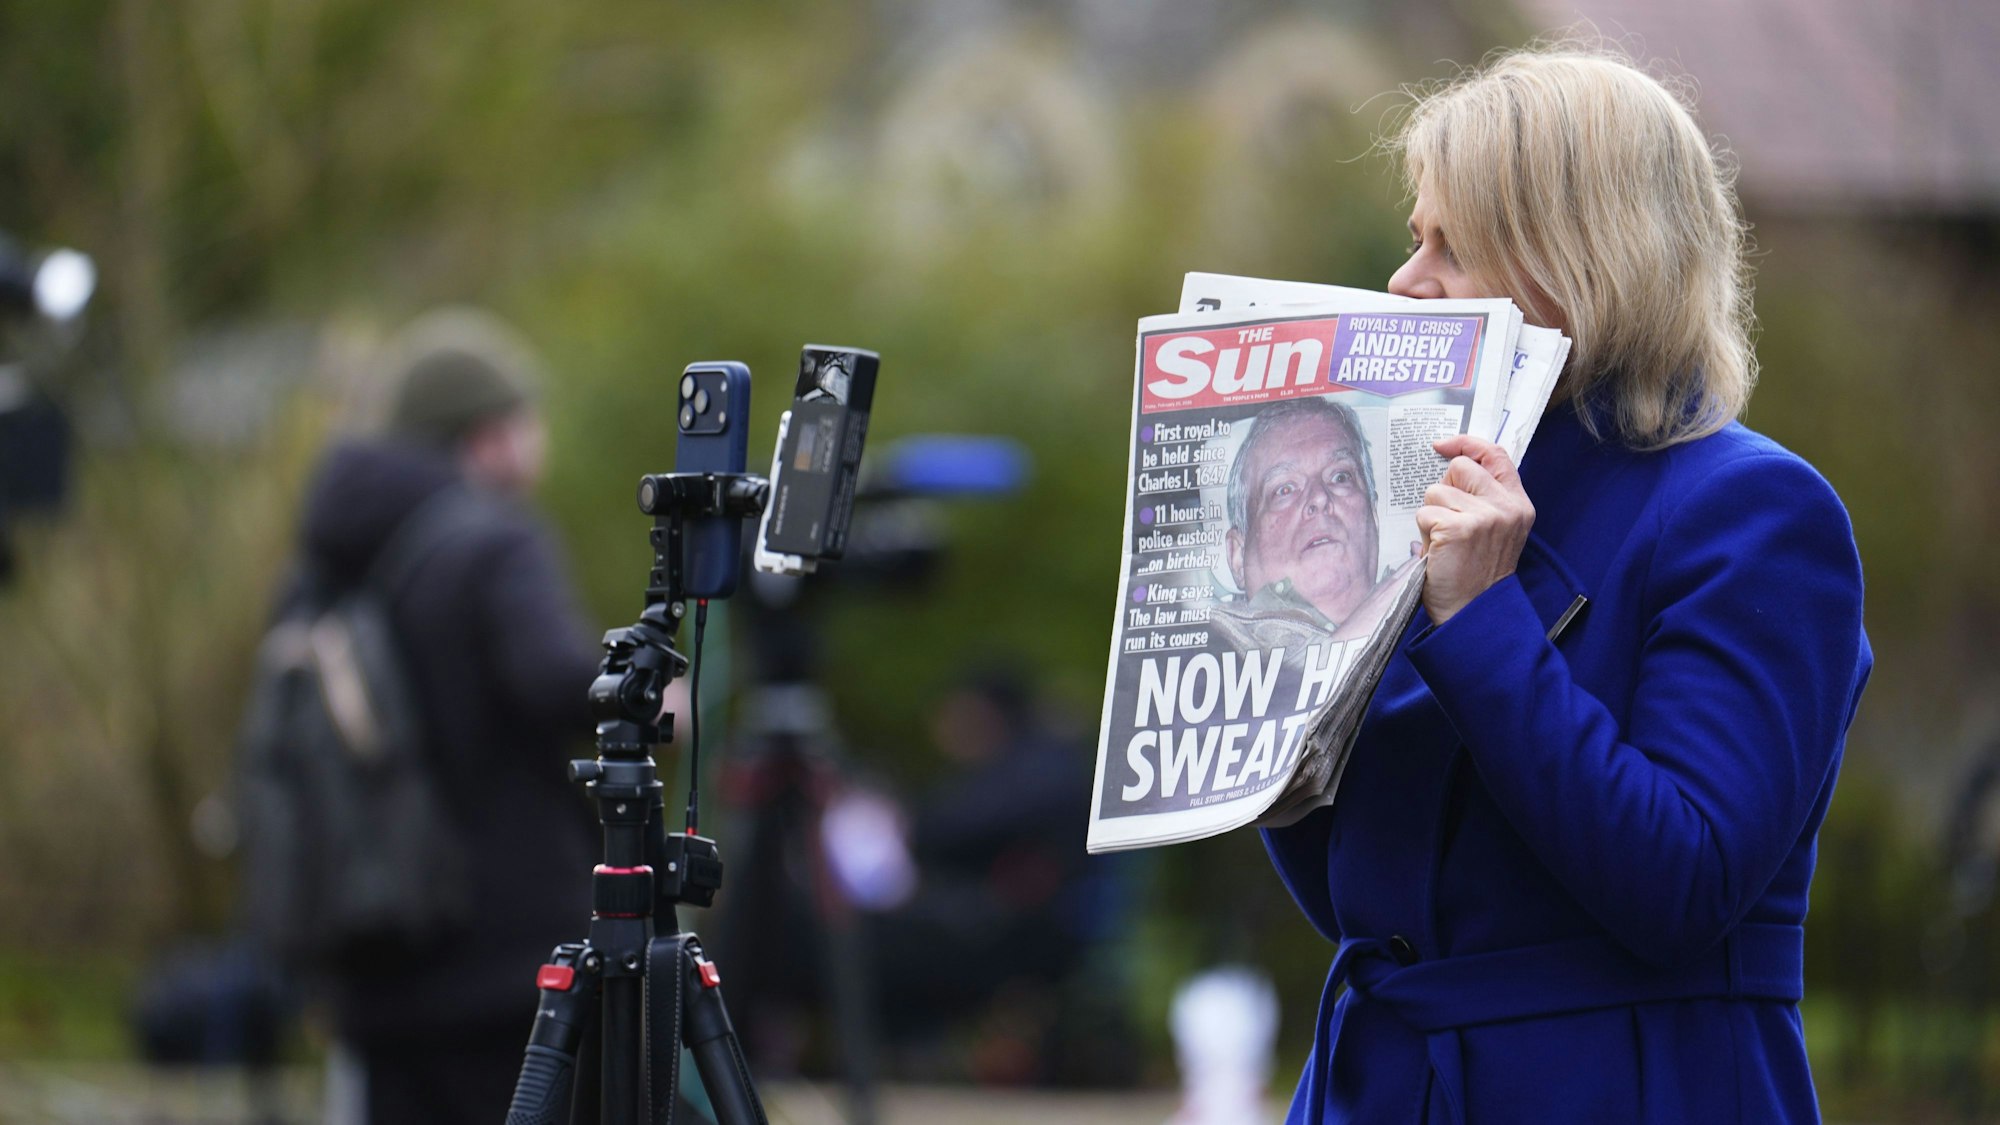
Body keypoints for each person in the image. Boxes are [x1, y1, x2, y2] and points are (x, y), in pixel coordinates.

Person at [1260, 46, 1872, 1123]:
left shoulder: (1752, 512)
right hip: (1382, 1085)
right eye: (1416, 239)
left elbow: (1678, 885)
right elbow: (1368, 908)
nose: (1405, 283)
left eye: (1452, 246)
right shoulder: (1422, 488)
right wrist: (1271, 713)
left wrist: (1484, 619)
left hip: (1627, 1086)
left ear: (1579, 255)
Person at [294, 309, 603, 1124]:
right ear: (488, 432)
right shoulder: (495, 541)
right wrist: (649, 689)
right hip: (507, 957)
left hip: (374, 943)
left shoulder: (330, 553)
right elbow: (554, 679)